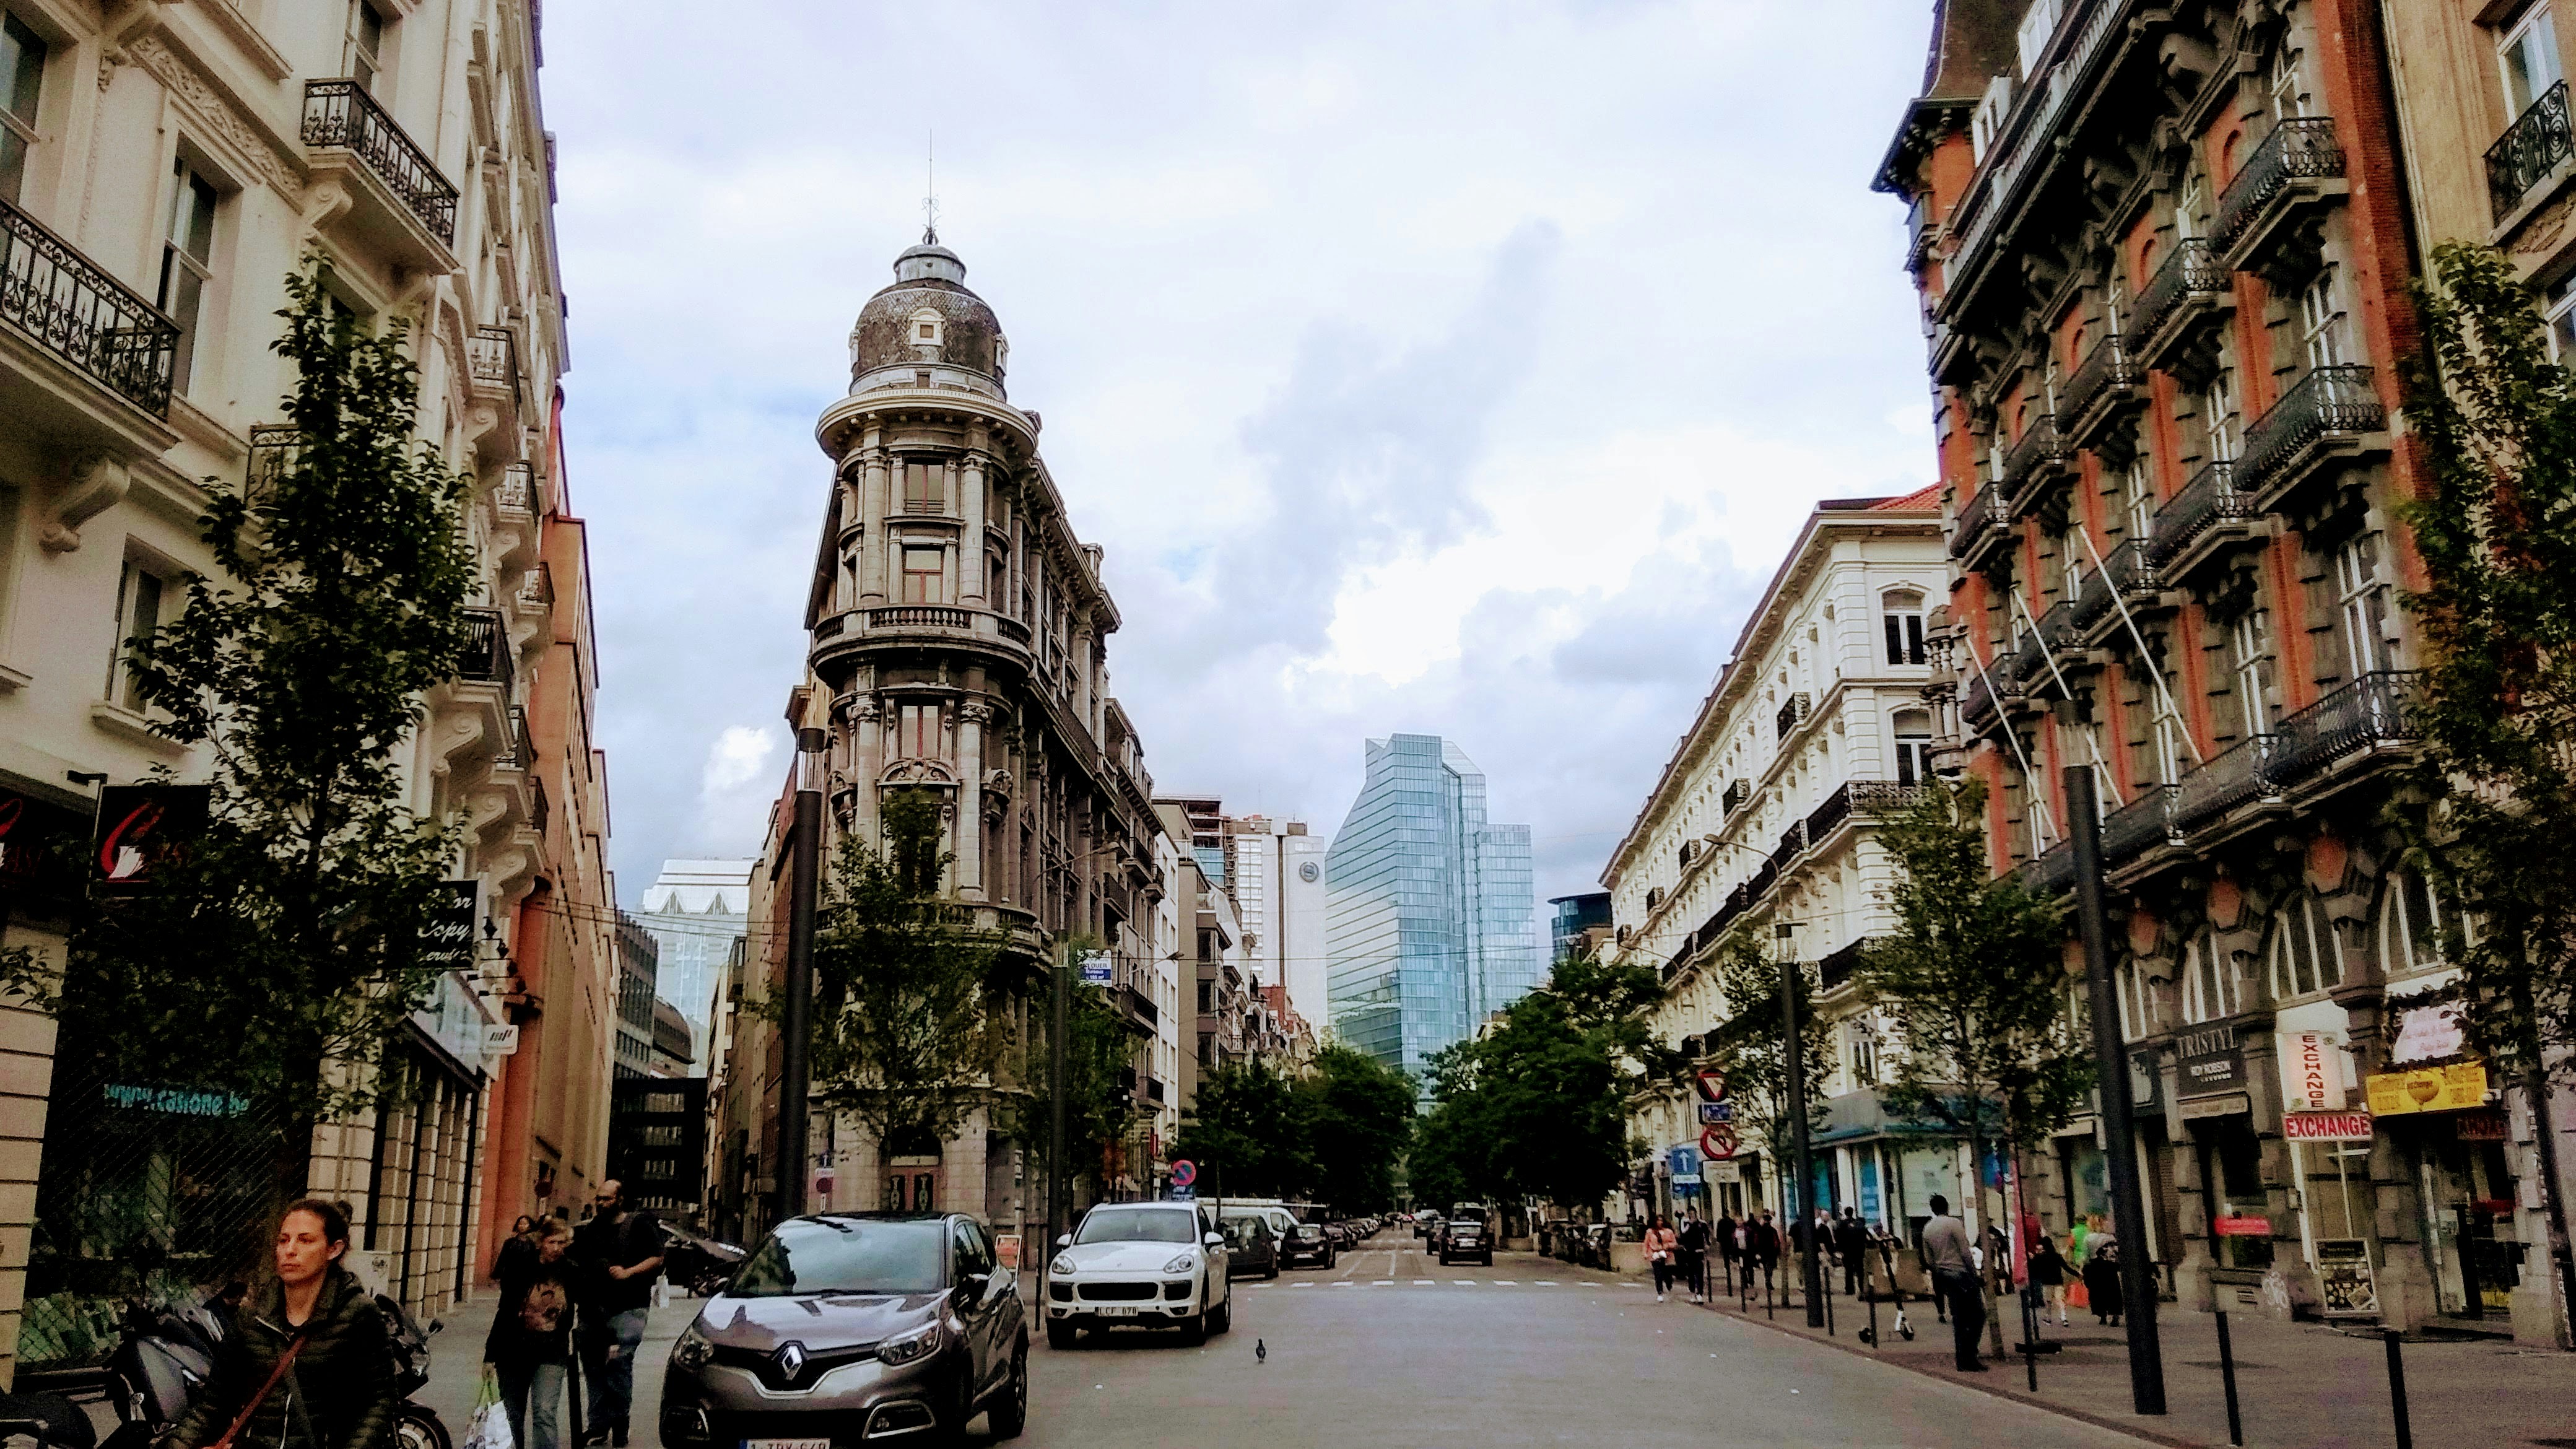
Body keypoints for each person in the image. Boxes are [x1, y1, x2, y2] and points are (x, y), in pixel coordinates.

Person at [166, 1199, 398, 1449]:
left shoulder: (358, 1314)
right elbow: (215, 1402)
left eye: (305, 1240)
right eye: (284, 1240)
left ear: (334, 1249)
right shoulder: (253, 1316)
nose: (290, 1250)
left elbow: (380, 1401)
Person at [573, 1180, 664, 1447]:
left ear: (620, 1199)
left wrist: (628, 1272)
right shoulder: (592, 1229)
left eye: (606, 1199)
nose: (600, 1203)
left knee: (618, 1366)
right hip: (592, 1309)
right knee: (592, 1369)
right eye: (598, 1199)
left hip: (628, 1308)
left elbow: (657, 1258)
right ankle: (598, 1426)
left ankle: (620, 1424)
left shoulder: (638, 1224)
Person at [489, 1221, 578, 1449]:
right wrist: (491, 1355)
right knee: (512, 1414)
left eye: (562, 1243)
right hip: (514, 1350)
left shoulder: (570, 1271)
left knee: (545, 1412)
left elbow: (591, 1305)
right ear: (541, 1242)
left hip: (552, 1351)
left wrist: (605, 1337)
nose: (557, 1248)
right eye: (552, 1242)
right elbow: (505, 1311)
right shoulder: (521, 1269)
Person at [1920, 1193, 1985, 1372]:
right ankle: (1970, 1355)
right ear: (1947, 1206)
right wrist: (1975, 1275)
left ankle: (1961, 1359)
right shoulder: (1954, 1224)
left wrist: (1939, 1270)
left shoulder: (1927, 1229)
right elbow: (1965, 1253)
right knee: (1978, 1315)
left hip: (1943, 1275)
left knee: (1959, 1318)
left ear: (1932, 1209)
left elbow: (1928, 1259)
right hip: (1961, 1273)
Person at [2027, 1232, 2071, 1327]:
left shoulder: (2040, 1257)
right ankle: (2064, 1318)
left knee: (2048, 1301)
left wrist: (2033, 1258)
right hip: (2058, 1281)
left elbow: (2033, 1268)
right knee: (2060, 1300)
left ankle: (2048, 1318)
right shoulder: (2057, 1256)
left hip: (2046, 1282)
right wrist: (2078, 1274)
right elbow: (2066, 1267)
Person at [2083, 1226, 2124, 1327]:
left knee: (2099, 1293)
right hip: (2110, 1269)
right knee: (2114, 1293)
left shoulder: (2089, 1239)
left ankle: (2103, 1315)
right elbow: (2117, 1254)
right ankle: (2115, 1315)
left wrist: (2086, 1272)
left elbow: (2086, 1257)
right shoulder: (2112, 1238)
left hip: (2096, 1268)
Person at [1643, 1216, 1679, 1302]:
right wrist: (1645, 1253)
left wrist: (1668, 1246)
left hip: (1667, 1255)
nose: (1660, 1222)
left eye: (1661, 1221)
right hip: (1655, 1254)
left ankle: (1669, 1285)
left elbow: (1674, 1243)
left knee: (1667, 1274)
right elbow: (1646, 1243)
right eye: (1658, 1221)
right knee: (1658, 1274)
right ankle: (1660, 1292)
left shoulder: (1669, 1232)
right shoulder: (1650, 1232)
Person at [1676, 1214, 1709, 1304]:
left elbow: (1706, 1236)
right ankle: (1692, 1292)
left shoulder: (1702, 1224)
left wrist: (1707, 1245)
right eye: (1690, 1214)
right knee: (1691, 1274)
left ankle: (1700, 1294)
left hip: (1699, 1252)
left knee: (1699, 1274)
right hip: (1689, 1252)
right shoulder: (1685, 1223)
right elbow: (1683, 1235)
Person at [1835, 1209, 1869, 1297]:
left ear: (1845, 1213)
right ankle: (1861, 1288)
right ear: (1852, 1212)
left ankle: (1850, 1289)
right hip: (1858, 1251)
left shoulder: (1842, 1224)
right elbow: (1864, 1238)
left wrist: (1839, 1250)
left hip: (1847, 1251)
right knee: (1860, 1270)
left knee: (1848, 1270)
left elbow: (1839, 1239)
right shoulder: (1859, 1224)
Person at [1712, 1208, 1739, 1294]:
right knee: (1731, 1252)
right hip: (1730, 1240)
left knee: (1725, 1254)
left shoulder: (1720, 1222)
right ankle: (1732, 1262)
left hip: (1724, 1241)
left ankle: (1727, 1265)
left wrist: (1718, 1240)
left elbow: (1718, 1231)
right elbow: (1734, 1229)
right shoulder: (1731, 1221)